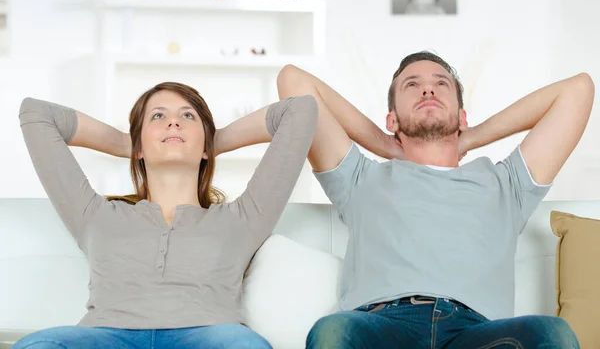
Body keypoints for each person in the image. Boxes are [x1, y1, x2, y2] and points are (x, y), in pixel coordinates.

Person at [276, 52, 594, 348]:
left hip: (475, 333)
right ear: (392, 120)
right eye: (412, 85)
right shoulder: (360, 179)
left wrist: (471, 135)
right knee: (332, 331)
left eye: (441, 84)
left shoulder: (506, 184)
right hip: (380, 326)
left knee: (553, 334)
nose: (428, 91)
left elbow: (578, 90)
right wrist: (385, 144)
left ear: (462, 115)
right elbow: (294, 81)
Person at [14, 82, 318, 349]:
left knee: (245, 345)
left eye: (187, 116)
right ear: (138, 147)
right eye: (158, 116)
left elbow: (300, 111)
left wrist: (208, 142)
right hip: (105, 335)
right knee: (38, 344)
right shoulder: (95, 216)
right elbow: (37, 114)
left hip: (211, 335)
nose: (173, 123)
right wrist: (128, 143)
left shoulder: (244, 217)